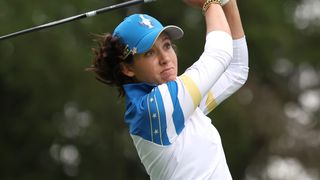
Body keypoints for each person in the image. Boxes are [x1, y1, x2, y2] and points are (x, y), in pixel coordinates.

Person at [87, 0, 248, 179]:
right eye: (149, 52)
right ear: (128, 68)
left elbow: (236, 70)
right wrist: (210, 3)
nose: (165, 58)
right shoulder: (157, 107)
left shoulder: (180, 104)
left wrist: (227, 3)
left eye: (167, 45)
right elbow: (220, 54)